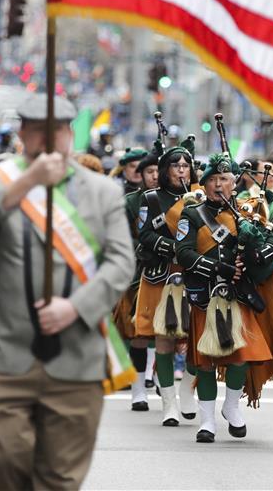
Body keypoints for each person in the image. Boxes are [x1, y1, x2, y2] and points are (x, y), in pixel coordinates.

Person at [0, 94, 134, 490]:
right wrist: (27, 182)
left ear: (69, 134)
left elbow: (121, 263)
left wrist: (75, 308)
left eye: (56, 129)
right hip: (6, 349)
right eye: (38, 129)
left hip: (75, 352)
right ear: (23, 133)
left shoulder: (103, 192)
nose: (48, 138)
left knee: (60, 477)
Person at [176, 153, 273, 443]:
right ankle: (207, 421)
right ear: (204, 184)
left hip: (239, 295)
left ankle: (231, 406)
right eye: (213, 179)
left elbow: (272, 239)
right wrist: (219, 268)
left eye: (225, 179)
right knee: (205, 361)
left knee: (242, 356)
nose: (219, 184)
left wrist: (258, 252)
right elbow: (183, 253)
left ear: (234, 183)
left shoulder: (248, 212)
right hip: (206, 295)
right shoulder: (192, 215)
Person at [133, 137, 199, 425]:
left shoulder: (200, 195)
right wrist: (176, 248)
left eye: (186, 165)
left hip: (195, 273)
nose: (181, 170)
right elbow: (145, 234)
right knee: (164, 337)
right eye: (175, 165)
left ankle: (187, 390)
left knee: (198, 334)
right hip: (163, 273)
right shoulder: (151, 199)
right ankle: (168, 403)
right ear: (165, 169)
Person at [111, 141, 162, 411]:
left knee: (166, 332)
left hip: (168, 272)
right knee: (138, 331)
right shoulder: (130, 201)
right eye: (149, 171)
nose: (154, 176)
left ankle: (162, 382)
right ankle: (138, 389)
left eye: (158, 170)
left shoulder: (176, 199)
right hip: (137, 271)